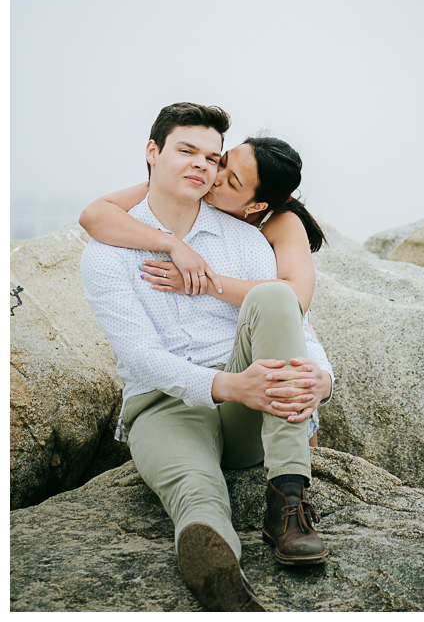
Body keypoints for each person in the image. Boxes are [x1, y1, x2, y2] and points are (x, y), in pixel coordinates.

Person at [80, 103, 334, 612]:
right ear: (153, 153)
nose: (203, 166)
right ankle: (217, 568)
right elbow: (137, 355)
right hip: (163, 406)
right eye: (187, 151)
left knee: (276, 295)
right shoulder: (107, 252)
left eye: (214, 158)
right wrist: (227, 385)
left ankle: (287, 500)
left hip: (249, 409)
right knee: (195, 492)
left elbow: (296, 321)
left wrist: (322, 379)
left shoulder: (248, 237)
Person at [80, 131, 329, 446]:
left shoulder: (279, 223)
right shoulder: (193, 188)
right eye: (220, 163)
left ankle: (296, 474)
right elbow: (94, 215)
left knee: (291, 377)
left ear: (257, 204)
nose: (214, 177)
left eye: (231, 182)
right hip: (207, 373)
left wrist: (202, 282)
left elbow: (295, 301)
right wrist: (172, 244)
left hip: (267, 342)